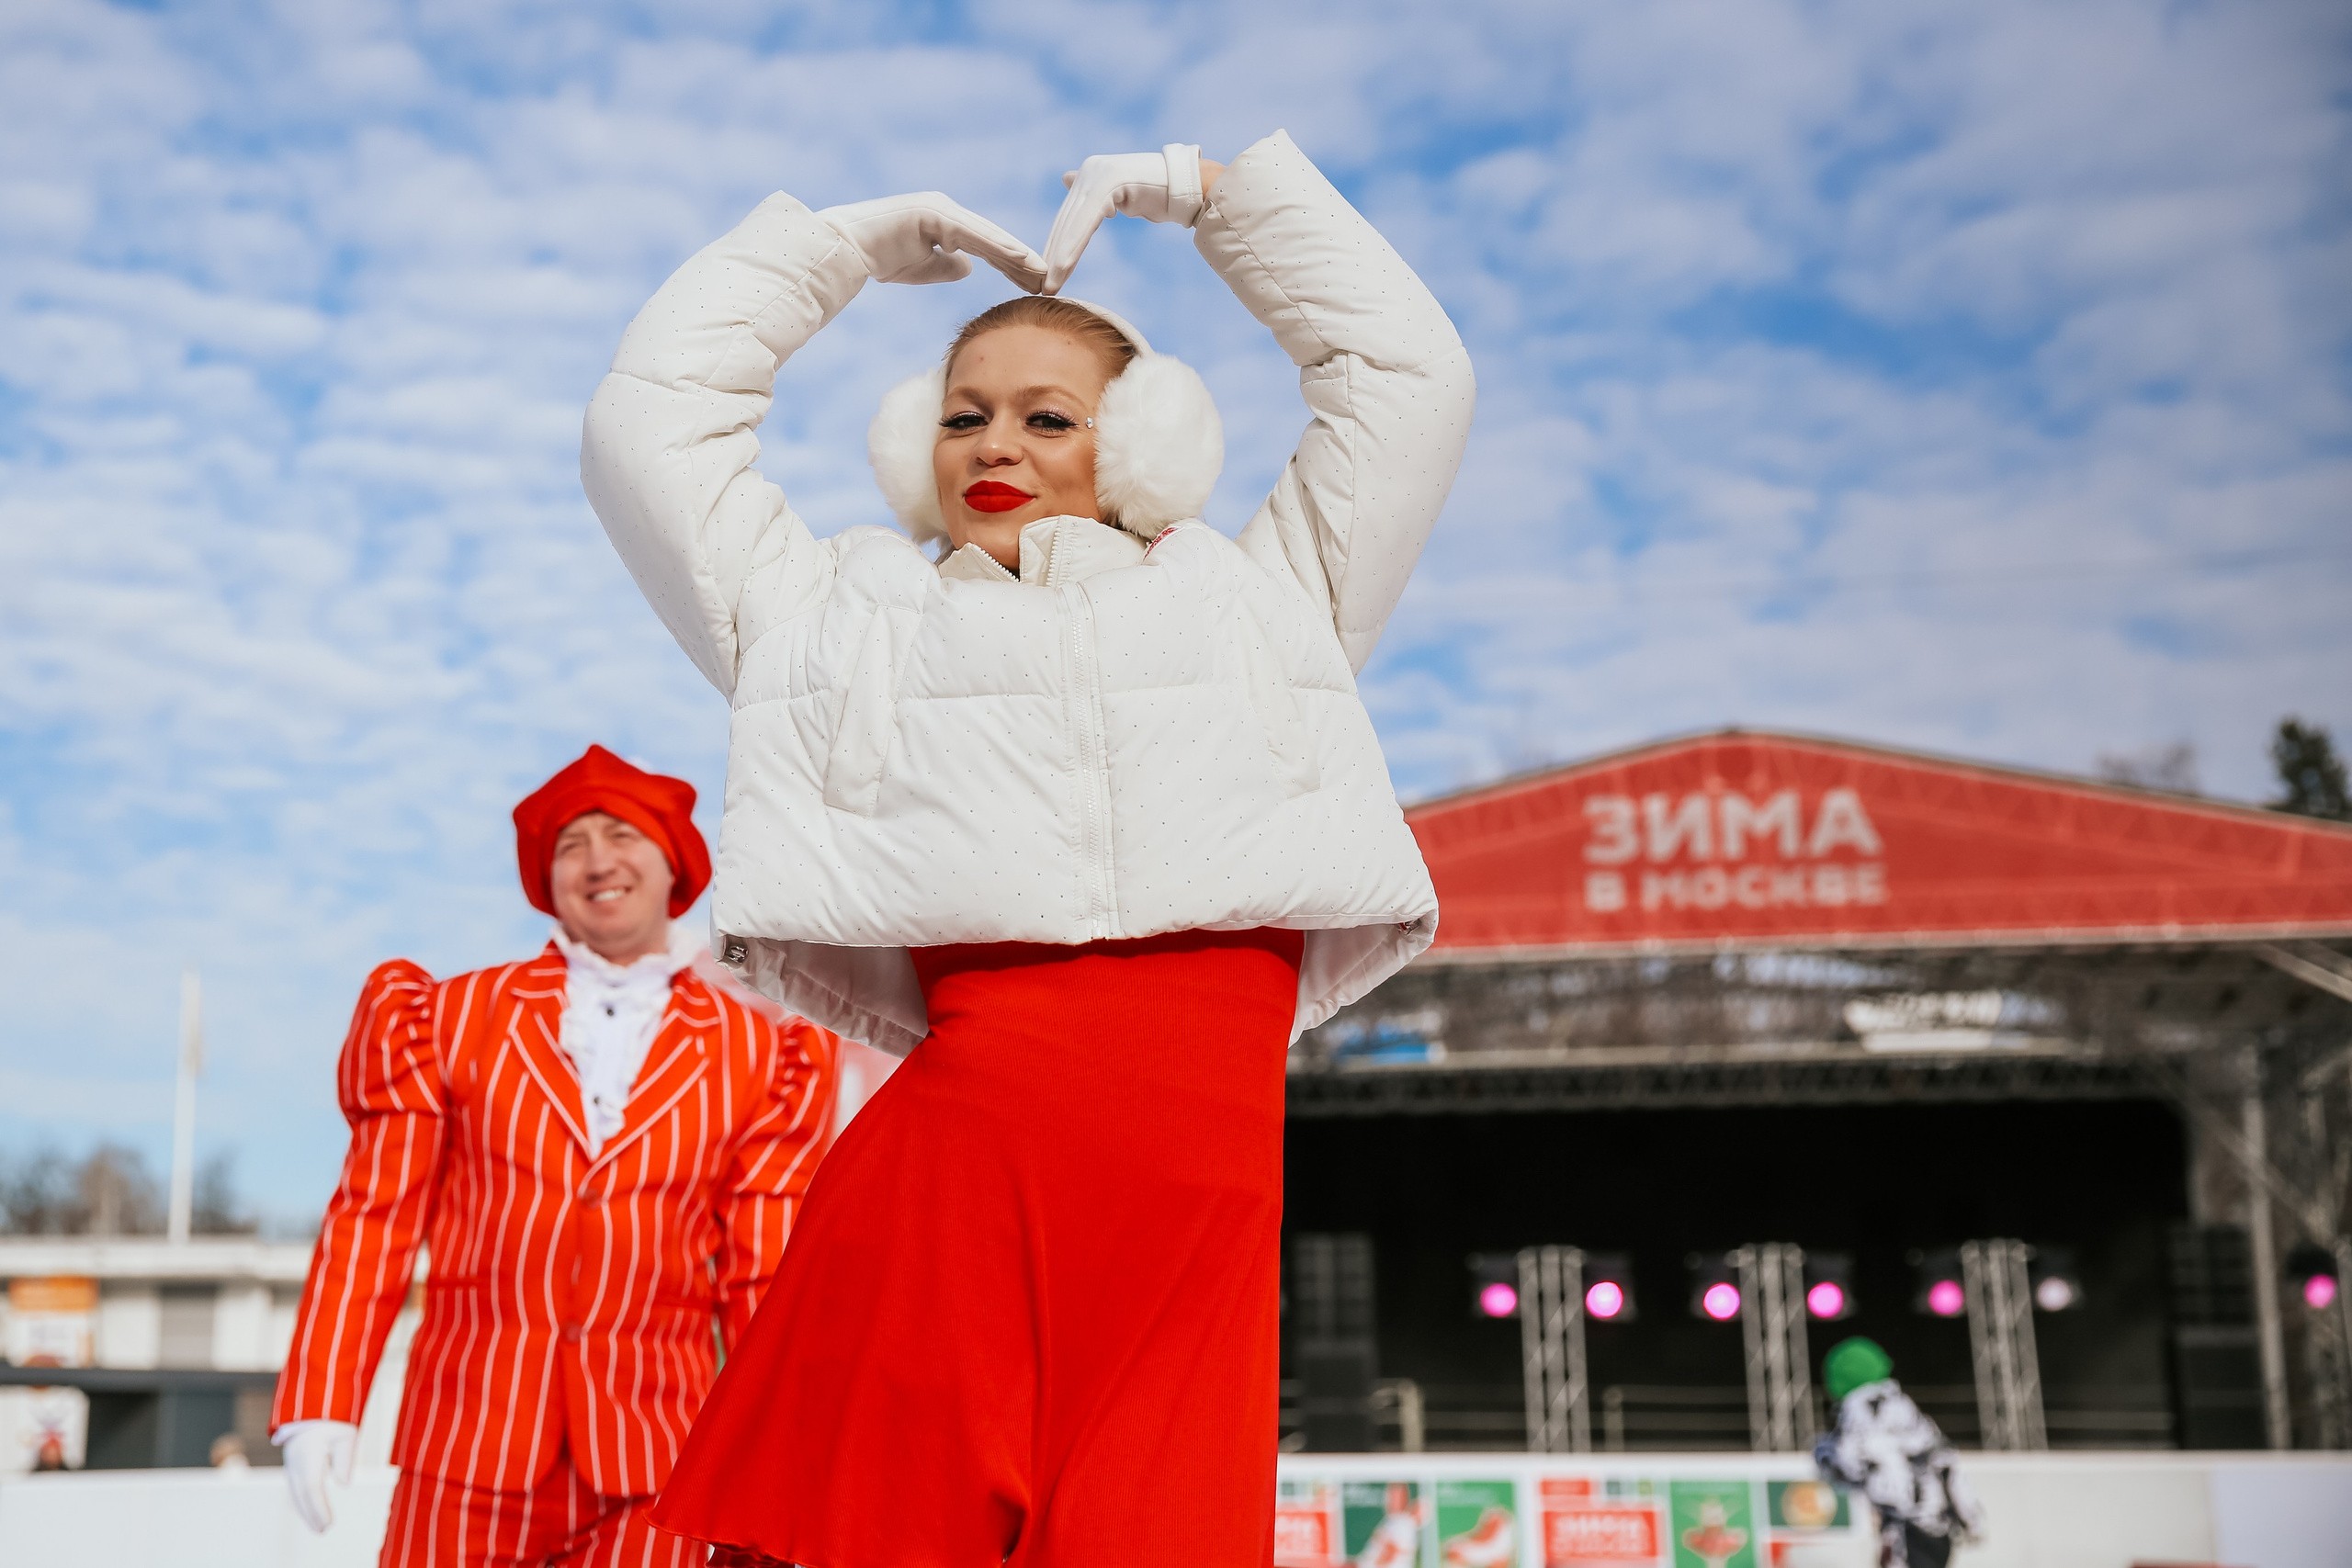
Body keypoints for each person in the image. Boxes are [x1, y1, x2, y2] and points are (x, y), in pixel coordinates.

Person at [582, 130, 1472, 1565]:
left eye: (1049, 418)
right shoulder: (837, 622)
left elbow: (1410, 380)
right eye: (963, 414)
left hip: (1197, 1224)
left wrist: (1215, 197)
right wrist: (840, 252)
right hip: (961, 1195)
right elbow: (650, 426)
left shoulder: (1265, 598)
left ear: (1142, 444)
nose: (996, 445)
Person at [270, 746, 839, 1567]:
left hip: (657, 1462)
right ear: (547, 876)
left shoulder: (757, 1054)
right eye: (573, 844)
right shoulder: (447, 1016)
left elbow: (763, 1276)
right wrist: (322, 1398)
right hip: (465, 1451)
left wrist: (780, 1453)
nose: (599, 860)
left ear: (673, 862)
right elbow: (375, 1214)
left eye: (622, 835)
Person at [1813, 1337, 1985, 1568]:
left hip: (1904, 1527)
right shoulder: (1906, 1407)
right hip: (1938, 1527)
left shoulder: (1858, 1409)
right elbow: (1946, 1463)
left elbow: (1851, 1460)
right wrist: (1969, 1517)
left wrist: (1823, 1454)